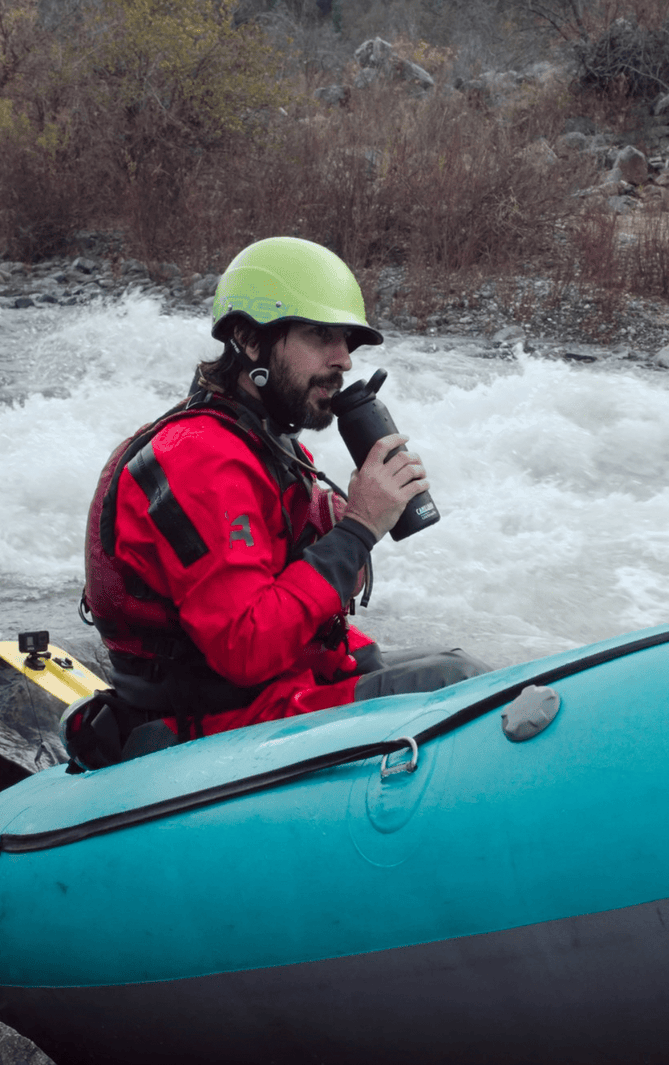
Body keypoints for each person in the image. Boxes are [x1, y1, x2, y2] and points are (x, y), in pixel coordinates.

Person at [68, 237, 489, 768]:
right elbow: (246, 646)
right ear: (247, 338)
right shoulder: (200, 457)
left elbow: (301, 593)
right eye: (319, 336)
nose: (343, 359)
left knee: (452, 664)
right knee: (458, 683)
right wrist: (357, 528)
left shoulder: (273, 445)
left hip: (261, 695)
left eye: (346, 341)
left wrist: (345, 527)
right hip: (207, 725)